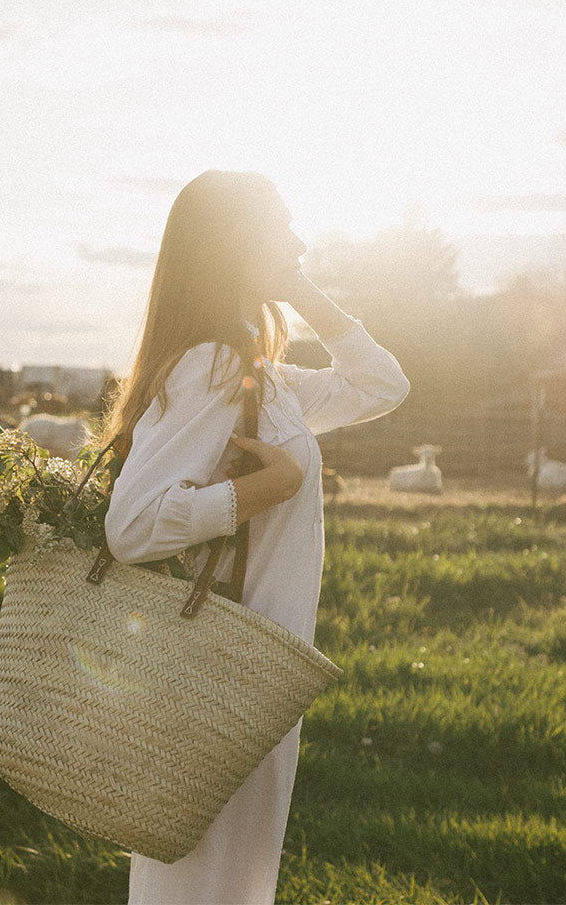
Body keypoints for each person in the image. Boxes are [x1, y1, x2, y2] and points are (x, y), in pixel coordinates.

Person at [102, 169, 410, 905]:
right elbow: (132, 525)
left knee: (222, 882)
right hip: (224, 666)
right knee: (203, 884)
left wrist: (302, 290)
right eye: (282, 228)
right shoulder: (213, 366)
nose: (300, 242)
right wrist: (258, 492)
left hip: (255, 666)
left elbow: (382, 385)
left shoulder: (258, 377)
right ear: (233, 246)